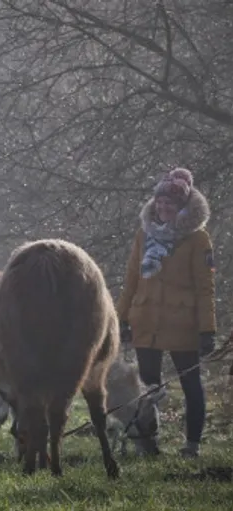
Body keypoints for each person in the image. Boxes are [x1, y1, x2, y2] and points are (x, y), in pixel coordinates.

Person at [116, 167, 216, 458]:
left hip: (182, 326)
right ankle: (150, 442)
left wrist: (207, 329)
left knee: (191, 386)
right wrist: (121, 318)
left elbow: (205, 288)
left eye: (169, 204)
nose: (163, 208)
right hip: (145, 322)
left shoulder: (198, 240)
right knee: (148, 390)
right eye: (159, 202)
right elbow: (131, 281)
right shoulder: (143, 235)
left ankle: (192, 446)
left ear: (182, 207)